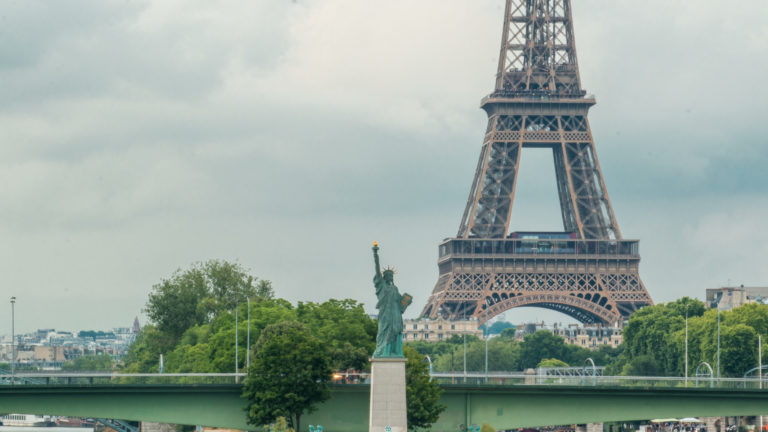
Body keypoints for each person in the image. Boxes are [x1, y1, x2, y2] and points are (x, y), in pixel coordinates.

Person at [372, 242, 412, 357]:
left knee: (395, 332)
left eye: (392, 276)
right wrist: (375, 254)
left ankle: (394, 352)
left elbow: (400, 303)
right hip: (385, 314)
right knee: (383, 333)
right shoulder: (381, 286)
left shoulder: (395, 288)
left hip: (395, 314)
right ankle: (384, 352)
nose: (391, 277)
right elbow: (377, 269)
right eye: (388, 275)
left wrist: (406, 300)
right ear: (384, 277)